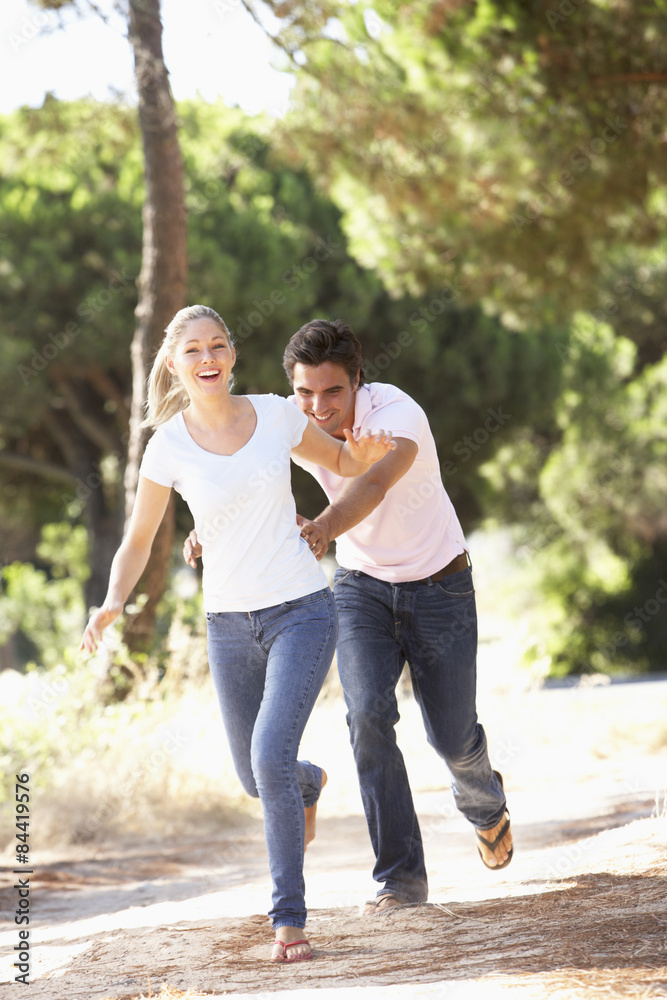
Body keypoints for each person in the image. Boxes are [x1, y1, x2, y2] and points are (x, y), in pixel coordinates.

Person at [81, 305, 395, 961]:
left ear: (231, 355)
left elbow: (338, 461)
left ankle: (289, 923)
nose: (207, 357)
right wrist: (111, 600)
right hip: (227, 626)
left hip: (302, 611)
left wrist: (360, 457)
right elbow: (139, 539)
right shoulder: (167, 445)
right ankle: (309, 784)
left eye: (217, 344)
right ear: (173, 364)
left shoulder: (277, 415)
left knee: (267, 756)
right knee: (257, 776)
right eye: (193, 349)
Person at [184, 317, 513, 913]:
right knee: (366, 719)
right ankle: (401, 880)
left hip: (440, 584)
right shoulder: (287, 417)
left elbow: (376, 481)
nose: (318, 407)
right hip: (361, 587)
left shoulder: (396, 415)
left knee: (452, 736)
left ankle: (485, 803)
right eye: (305, 392)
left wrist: (323, 529)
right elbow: (241, 477)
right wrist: (209, 529)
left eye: (332, 391)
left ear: (358, 381)